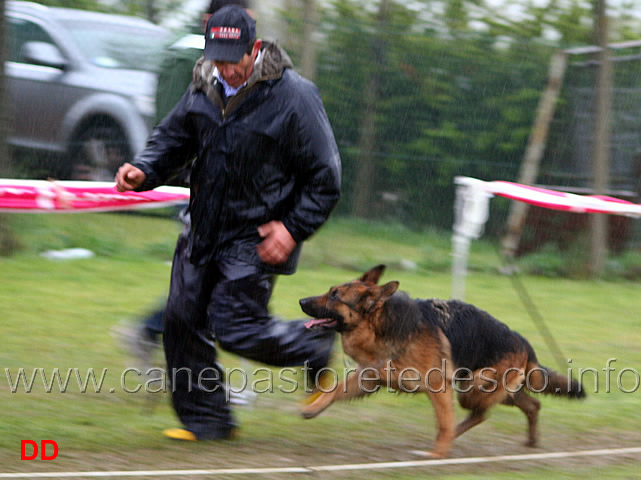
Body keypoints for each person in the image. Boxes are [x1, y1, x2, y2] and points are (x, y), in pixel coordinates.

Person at [115, 5, 341, 441]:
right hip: (202, 228)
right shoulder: (203, 86)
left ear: (254, 49)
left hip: (255, 236)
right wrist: (144, 169)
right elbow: (173, 137)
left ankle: (315, 341)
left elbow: (325, 178)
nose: (224, 69)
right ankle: (209, 423)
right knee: (180, 321)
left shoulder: (295, 97)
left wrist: (292, 228)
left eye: (231, 61)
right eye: (216, 58)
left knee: (235, 328)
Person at [116, 0, 253, 371]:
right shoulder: (201, 61)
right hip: (196, 182)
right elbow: (188, 124)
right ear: (214, 22)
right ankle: (152, 331)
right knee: (211, 288)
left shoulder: (183, 51)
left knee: (210, 286)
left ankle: (162, 337)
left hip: (184, 176)